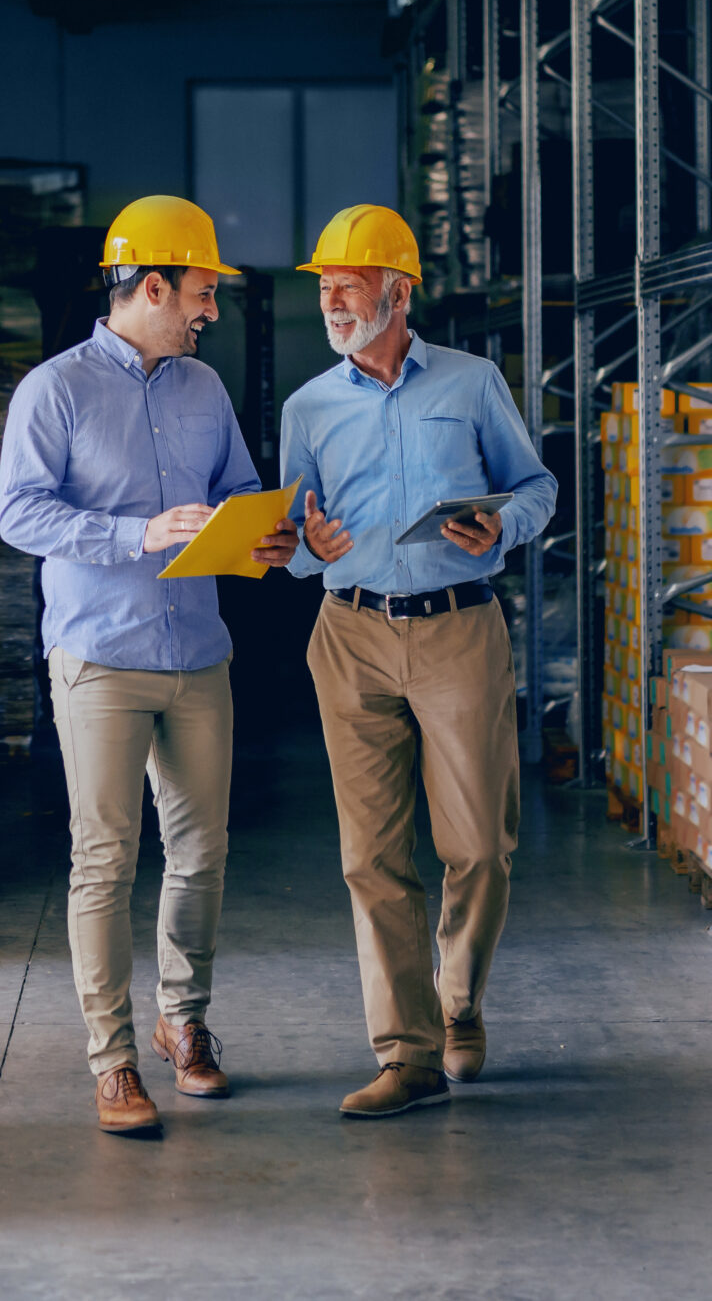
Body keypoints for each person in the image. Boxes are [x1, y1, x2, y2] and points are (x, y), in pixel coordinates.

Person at [0, 194, 299, 1136]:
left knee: (201, 853)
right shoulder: (55, 389)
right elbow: (20, 515)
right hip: (101, 654)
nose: (211, 311)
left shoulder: (203, 391)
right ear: (153, 285)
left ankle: (184, 1023)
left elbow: (238, 494)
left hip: (198, 651)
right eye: (202, 293)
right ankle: (113, 1060)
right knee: (105, 859)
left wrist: (265, 538)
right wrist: (137, 533)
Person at [279, 204, 559, 1119]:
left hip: (457, 627)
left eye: (348, 282)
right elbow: (294, 542)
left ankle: (459, 998)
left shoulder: (474, 385)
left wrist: (501, 527)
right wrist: (305, 545)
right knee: (371, 856)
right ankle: (407, 1053)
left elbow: (536, 485)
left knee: (479, 843)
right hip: (349, 631)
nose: (331, 297)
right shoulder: (307, 407)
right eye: (324, 284)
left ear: (398, 292)